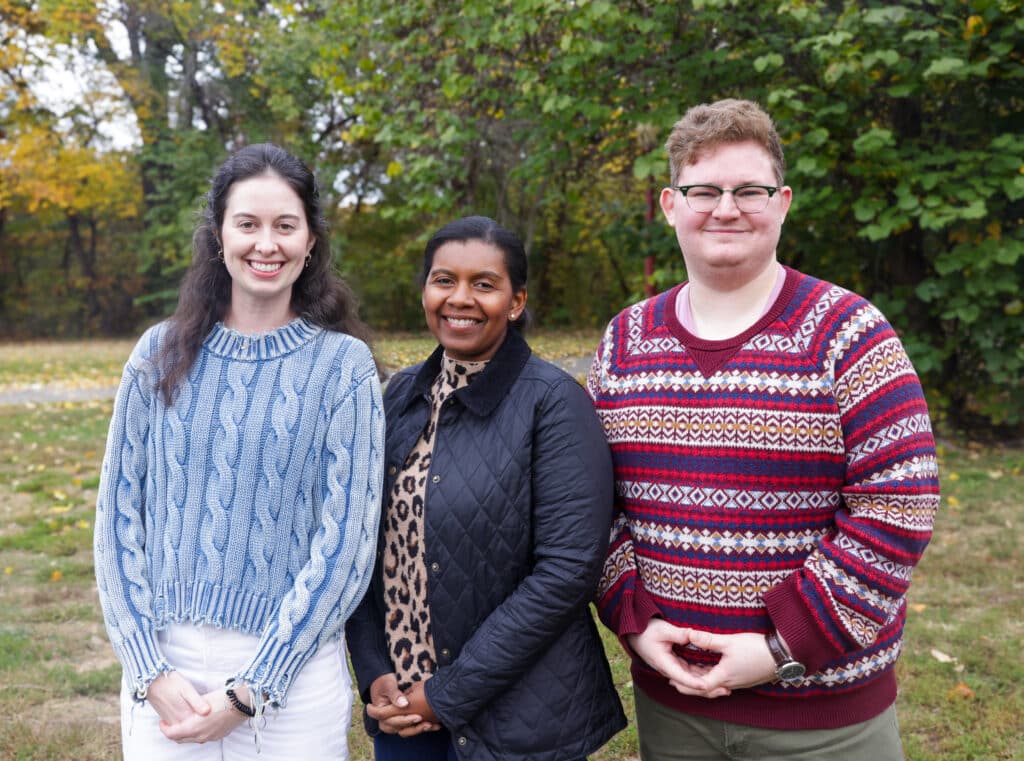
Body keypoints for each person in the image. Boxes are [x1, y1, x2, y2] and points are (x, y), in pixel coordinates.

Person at [587, 99, 940, 760]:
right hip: (674, 706)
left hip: (825, 718)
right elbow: (591, 503)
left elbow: (898, 509)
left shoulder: (849, 333)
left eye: (748, 190)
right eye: (704, 190)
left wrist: (781, 646)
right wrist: (633, 620)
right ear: (670, 203)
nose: (725, 208)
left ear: (781, 203)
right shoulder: (624, 342)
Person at [93, 143, 384, 760]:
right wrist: (149, 669)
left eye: (285, 225)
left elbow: (347, 544)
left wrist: (255, 688)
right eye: (246, 224)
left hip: (290, 681)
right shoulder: (159, 353)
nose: (265, 244)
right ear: (218, 236)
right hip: (165, 673)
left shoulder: (343, 368)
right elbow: (116, 522)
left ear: (310, 242)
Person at [345, 215, 626, 761]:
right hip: (404, 711)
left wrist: (447, 695)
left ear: (516, 302)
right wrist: (375, 669)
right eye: (444, 280)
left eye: (484, 284)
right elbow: (359, 543)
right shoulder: (399, 396)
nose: (460, 298)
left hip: (519, 720)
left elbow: (567, 571)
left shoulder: (553, 402)